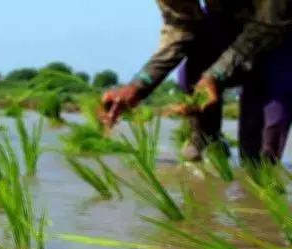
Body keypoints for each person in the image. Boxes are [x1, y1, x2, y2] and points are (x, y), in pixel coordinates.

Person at [99, 1, 291, 165]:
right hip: (225, 21)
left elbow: (269, 25)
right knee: (196, 65)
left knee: (261, 146)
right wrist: (139, 85)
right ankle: (206, 144)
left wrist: (216, 75)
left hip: (280, 27)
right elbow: (182, 25)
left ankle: (263, 178)